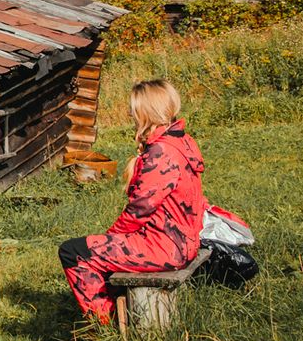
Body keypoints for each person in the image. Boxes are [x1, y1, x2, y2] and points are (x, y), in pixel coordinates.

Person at [58, 79, 206, 324]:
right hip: (182, 241)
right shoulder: (182, 141)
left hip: (164, 246)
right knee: (94, 250)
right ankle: (119, 312)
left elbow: (140, 209)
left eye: (134, 109)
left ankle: (105, 324)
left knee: (74, 252)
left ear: (146, 112)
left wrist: (112, 236)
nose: (130, 114)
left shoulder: (162, 152)